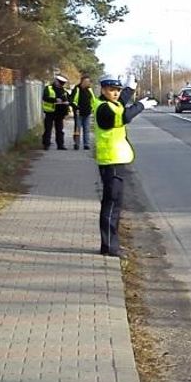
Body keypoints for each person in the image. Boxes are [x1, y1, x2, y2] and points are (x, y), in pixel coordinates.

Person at [94, 74, 156, 257]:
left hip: (115, 161)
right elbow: (125, 117)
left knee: (115, 204)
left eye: (117, 90)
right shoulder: (104, 109)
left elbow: (120, 103)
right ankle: (109, 247)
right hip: (110, 161)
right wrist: (140, 106)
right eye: (111, 90)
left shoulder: (110, 104)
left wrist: (130, 89)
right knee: (111, 206)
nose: (115, 93)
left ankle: (111, 244)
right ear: (103, 90)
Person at [41, 73, 70, 150]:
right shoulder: (48, 88)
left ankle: (60, 145)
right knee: (48, 129)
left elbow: (68, 99)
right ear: (56, 81)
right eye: (59, 82)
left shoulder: (64, 90)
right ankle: (46, 144)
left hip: (60, 113)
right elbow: (45, 98)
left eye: (62, 83)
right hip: (50, 112)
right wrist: (55, 100)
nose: (61, 84)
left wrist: (66, 103)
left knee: (59, 130)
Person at [69, 74, 96, 151]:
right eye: (86, 81)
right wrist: (75, 107)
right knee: (77, 129)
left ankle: (86, 144)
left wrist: (92, 109)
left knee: (86, 129)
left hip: (87, 112)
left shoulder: (89, 89)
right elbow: (71, 100)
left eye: (88, 82)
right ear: (82, 81)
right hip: (78, 112)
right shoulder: (77, 89)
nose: (88, 83)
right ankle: (76, 144)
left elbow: (93, 100)